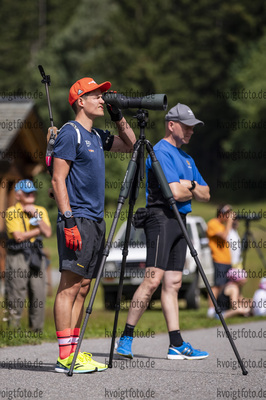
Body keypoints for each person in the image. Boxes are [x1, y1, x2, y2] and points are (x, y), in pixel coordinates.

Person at [52, 77, 136, 373]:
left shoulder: (97, 135)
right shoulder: (70, 133)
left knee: (84, 287)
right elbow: (57, 179)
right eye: (96, 96)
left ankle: (74, 352)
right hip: (77, 220)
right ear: (80, 101)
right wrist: (69, 221)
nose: (102, 99)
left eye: (102, 96)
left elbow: (131, 145)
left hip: (96, 221)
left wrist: (118, 115)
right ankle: (65, 356)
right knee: (69, 287)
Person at [116, 103, 210, 360]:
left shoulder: (187, 158)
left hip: (180, 219)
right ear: (171, 125)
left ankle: (176, 344)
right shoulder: (160, 151)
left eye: (193, 127)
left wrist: (188, 184)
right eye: (187, 126)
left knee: (174, 282)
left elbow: (206, 192)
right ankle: (125, 337)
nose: (191, 131)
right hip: (160, 219)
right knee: (153, 279)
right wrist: (190, 187)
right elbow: (175, 192)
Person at [5, 179, 52, 330]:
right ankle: (13, 329)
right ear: (18, 195)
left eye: (32, 192)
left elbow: (49, 233)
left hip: (36, 254)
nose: (31, 195)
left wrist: (36, 216)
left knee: (38, 292)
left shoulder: (40, 210)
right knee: (16, 292)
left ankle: (36, 330)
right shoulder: (12, 212)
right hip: (18, 254)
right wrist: (39, 230)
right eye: (27, 193)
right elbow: (18, 237)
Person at [206, 204, 233, 318]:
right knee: (217, 285)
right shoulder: (213, 224)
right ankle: (211, 309)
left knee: (224, 285)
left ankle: (222, 308)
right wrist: (230, 223)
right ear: (220, 213)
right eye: (227, 214)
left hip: (226, 261)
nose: (228, 217)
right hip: (218, 260)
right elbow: (224, 236)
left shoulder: (221, 225)